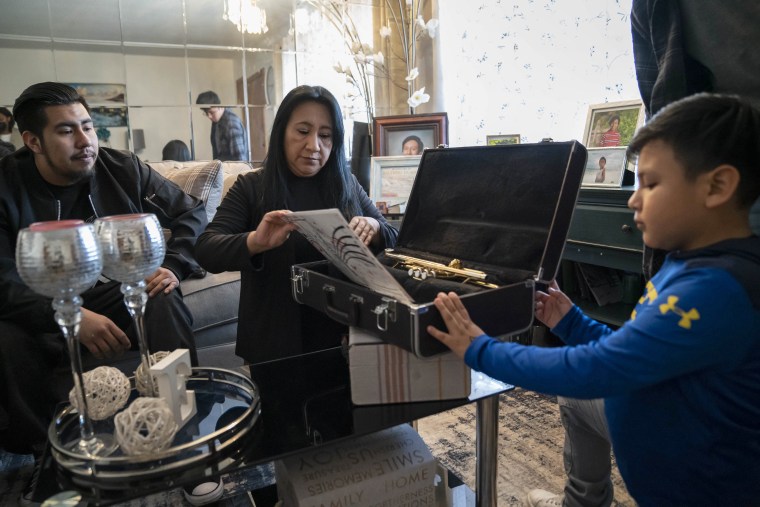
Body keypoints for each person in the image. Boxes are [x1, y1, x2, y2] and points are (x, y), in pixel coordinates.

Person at [428, 94, 760, 507]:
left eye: (651, 184)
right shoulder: (686, 261)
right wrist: (571, 322)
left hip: (704, 490)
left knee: (578, 386)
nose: (633, 199)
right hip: (663, 443)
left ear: (717, 186)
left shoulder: (717, 291)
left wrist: (481, 349)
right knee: (578, 401)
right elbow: (634, 349)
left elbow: (597, 369)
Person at [0, 82, 207, 460]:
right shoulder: (5, 186)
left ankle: (182, 427)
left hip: (116, 292)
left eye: (88, 126)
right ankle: (46, 455)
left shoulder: (121, 168)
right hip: (39, 308)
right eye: (66, 131)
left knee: (162, 295)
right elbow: (2, 281)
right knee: (5, 338)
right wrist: (73, 316)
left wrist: (173, 265)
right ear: (33, 142)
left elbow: (191, 211)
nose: (85, 140)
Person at [195, 85, 398, 388]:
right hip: (276, 341)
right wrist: (256, 242)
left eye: (325, 135)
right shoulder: (252, 187)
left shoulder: (346, 184)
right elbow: (206, 249)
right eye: (303, 131)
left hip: (344, 340)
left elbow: (395, 237)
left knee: (349, 428)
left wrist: (375, 226)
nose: (314, 145)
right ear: (282, 133)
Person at [195, 90, 249, 162]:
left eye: (211, 112)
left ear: (219, 106)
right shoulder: (216, 121)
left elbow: (240, 159)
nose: (209, 116)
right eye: (206, 113)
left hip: (234, 170)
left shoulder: (231, 122)